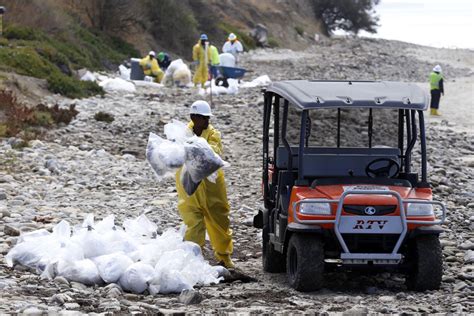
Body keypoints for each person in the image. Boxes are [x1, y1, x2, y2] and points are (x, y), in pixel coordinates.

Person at [175, 100, 234, 268]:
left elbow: (213, 152)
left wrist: (195, 148)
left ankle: (224, 257)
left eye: (208, 118)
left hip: (212, 186)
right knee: (193, 222)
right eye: (204, 118)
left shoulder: (214, 134)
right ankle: (193, 259)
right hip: (189, 185)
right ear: (194, 117)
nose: (207, 121)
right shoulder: (182, 134)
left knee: (220, 220)